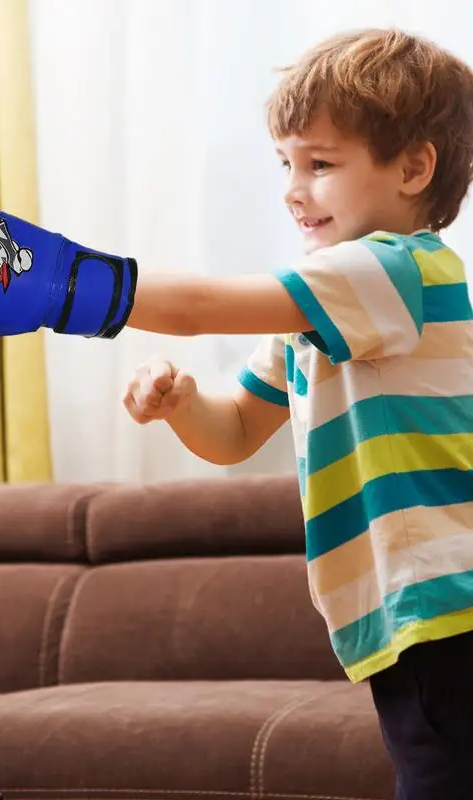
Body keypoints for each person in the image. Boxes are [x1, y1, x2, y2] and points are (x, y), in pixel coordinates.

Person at [120, 27, 473, 800]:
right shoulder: (320, 310)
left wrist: (72, 285)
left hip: (449, 604)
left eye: (321, 163)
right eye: (286, 162)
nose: (293, 186)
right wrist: (182, 402)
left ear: (414, 167)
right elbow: (236, 432)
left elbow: (197, 308)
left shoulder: (392, 270)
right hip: (407, 616)